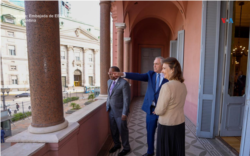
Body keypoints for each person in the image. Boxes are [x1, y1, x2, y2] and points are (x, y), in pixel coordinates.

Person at [112, 57, 168, 156]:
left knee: (164, 133)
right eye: (153, 63)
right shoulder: (151, 74)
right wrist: (122, 74)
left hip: (164, 110)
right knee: (150, 132)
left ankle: (162, 152)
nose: (154, 65)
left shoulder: (168, 77)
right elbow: (138, 76)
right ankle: (150, 152)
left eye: (157, 64)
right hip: (151, 109)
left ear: (162, 65)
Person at [154, 57, 187, 156]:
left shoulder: (166, 86)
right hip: (180, 123)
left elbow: (160, 110)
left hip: (167, 126)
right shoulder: (183, 85)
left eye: (164, 68)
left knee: (166, 152)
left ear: (173, 69)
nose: (162, 71)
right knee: (177, 151)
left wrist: (156, 110)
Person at [106, 66, 131, 156]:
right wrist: (107, 106)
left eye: (111, 72)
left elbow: (127, 99)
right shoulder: (109, 81)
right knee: (113, 129)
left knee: (122, 130)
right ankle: (117, 144)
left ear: (116, 73)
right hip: (111, 110)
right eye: (109, 72)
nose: (109, 74)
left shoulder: (124, 83)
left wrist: (125, 113)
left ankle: (126, 147)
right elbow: (109, 95)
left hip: (120, 112)